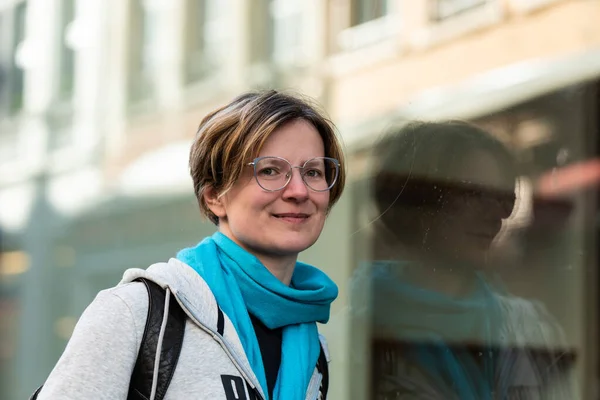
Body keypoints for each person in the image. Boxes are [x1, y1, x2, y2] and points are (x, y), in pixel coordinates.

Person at [36, 90, 346, 400]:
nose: (298, 190)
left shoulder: (314, 348)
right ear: (215, 196)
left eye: (313, 172)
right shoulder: (136, 312)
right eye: (269, 170)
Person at [354, 121, 576, 399]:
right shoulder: (351, 330)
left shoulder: (532, 330)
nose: (495, 215)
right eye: (472, 194)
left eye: (505, 199)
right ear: (418, 202)